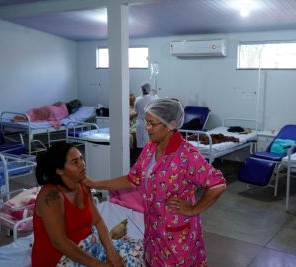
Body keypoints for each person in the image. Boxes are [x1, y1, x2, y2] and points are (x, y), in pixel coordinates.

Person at [83, 98, 226, 266]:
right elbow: (133, 179)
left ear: (170, 125)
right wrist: (95, 184)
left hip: (177, 235)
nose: (147, 127)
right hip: (153, 230)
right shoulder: (151, 148)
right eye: (146, 122)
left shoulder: (187, 155)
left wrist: (194, 209)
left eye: (152, 123)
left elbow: (218, 185)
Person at [31, 142, 124, 267]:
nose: (82, 164)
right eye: (75, 162)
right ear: (59, 170)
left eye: (81, 159)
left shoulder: (83, 184)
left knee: (133, 255)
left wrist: (111, 252)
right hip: (60, 259)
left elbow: (97, 221)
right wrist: (97, 264)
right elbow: (59, 242)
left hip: (87, 248)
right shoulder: (51, 196)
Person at [134, 82, 157, 150]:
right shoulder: (154, 98)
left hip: (140, 124)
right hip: (151, 123)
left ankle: (141, 160)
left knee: (141, 147)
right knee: (150, 146)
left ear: (142, 89)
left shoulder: (138, 99)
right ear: (150, 89)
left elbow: (136, 111)